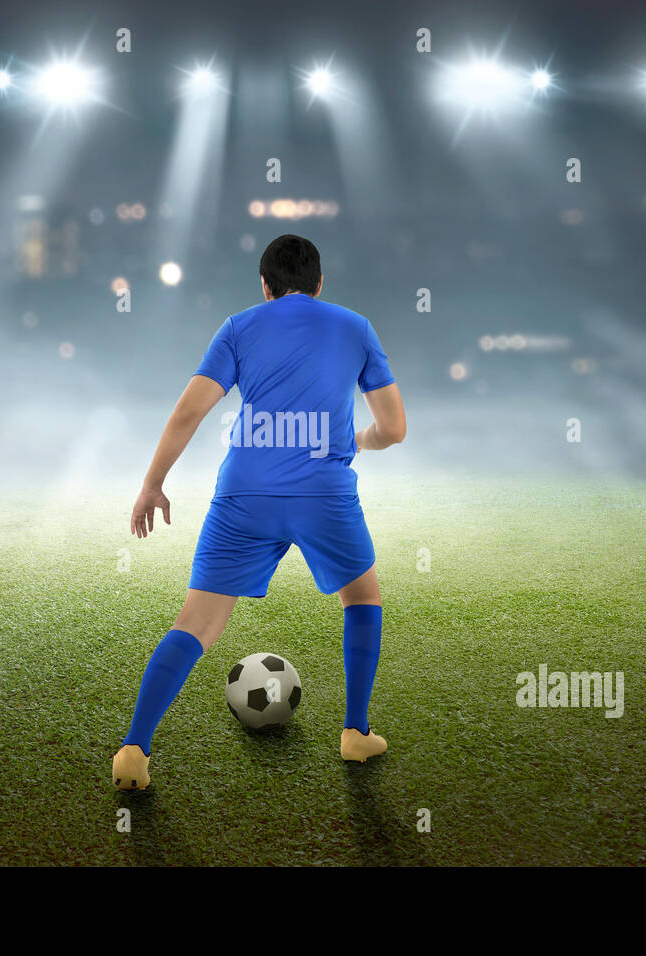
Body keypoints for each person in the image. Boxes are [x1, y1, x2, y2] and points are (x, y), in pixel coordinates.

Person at [113, 234, 406, 790]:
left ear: (265, 288)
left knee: (196, 622)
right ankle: (355, 733)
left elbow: (187, 412)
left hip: (244, 494)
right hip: (325, 492)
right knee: (363, 597)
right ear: (320, 285)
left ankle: (134, 748)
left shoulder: (238, 326)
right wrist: (359, 440)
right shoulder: (355, 326)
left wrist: (153, 483)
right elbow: (394, 429)